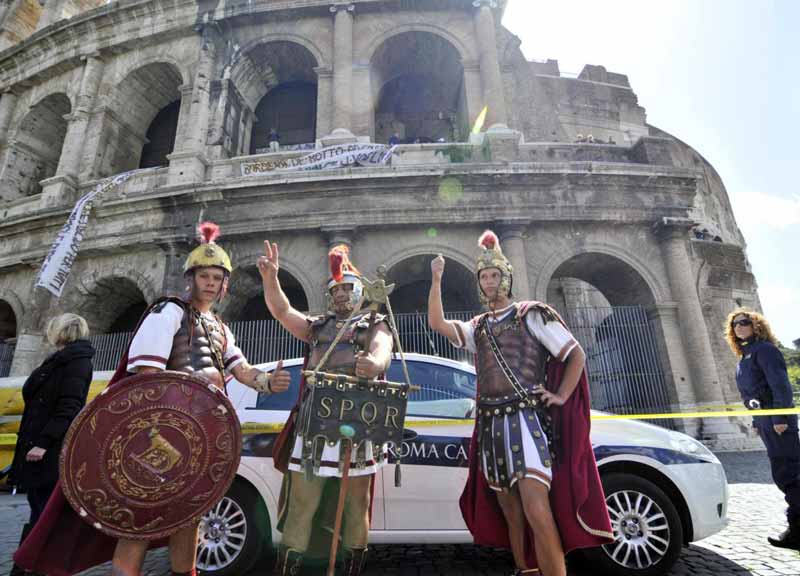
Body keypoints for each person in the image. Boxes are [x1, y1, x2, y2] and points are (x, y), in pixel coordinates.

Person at [14, 222, 290, 576]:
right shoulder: (168, 312)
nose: (210, 282)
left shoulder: (222, 328)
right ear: (190, 279)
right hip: (161, 430)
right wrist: (154, 433)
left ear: (225, 285)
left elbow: (242, 370)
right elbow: (146, 378)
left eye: (217, 277)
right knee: (144, 515)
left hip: (202, 434)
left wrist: (268, 381)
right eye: (203, 275)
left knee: (189, 513)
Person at [427, 231, 612, 576]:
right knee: (511, 515)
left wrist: (561, 396)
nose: (489, 281)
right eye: (484, 277)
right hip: (491, 425)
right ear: (479, 284)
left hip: (526, 420)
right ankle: (526, 570)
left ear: (507, 278)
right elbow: (436, 323)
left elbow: (575, 355)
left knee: (536, 509)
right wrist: (436, 279)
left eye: (495, 275)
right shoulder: (477, 327)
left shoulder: (531, 314)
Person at [260, 241, 393, 576]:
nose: (341, 295)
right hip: (315, 423)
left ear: (360, 291)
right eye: (336, 290)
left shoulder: (373, 325)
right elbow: (282, 312)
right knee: (303, 506)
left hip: (358, 423)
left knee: (355, 507)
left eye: (348, 288)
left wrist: (373, 365)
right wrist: (271, 279)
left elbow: (383, 351)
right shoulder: (317, 327)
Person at [8, 314, 94, 576]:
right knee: (39, 508)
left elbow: (69, 407)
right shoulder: (62, 359)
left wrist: (44, 444)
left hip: (47, 449)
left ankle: (36, 566)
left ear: (60, 330)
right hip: (36, 444)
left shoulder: (75, 363)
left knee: (45, 511)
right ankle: (28, 565)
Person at [726, 308, 800, 550]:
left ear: (756, 325)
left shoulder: (765, 350)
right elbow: (751, 393)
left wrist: (779, 418)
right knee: (783, 470)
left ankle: (797, 529)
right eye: (735, 324)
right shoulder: (745, 355)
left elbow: (780, 386)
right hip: (765, 419)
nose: (739, 327)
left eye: (744, 322)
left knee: (789, 472)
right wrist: (758, 422)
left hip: (776, 419)